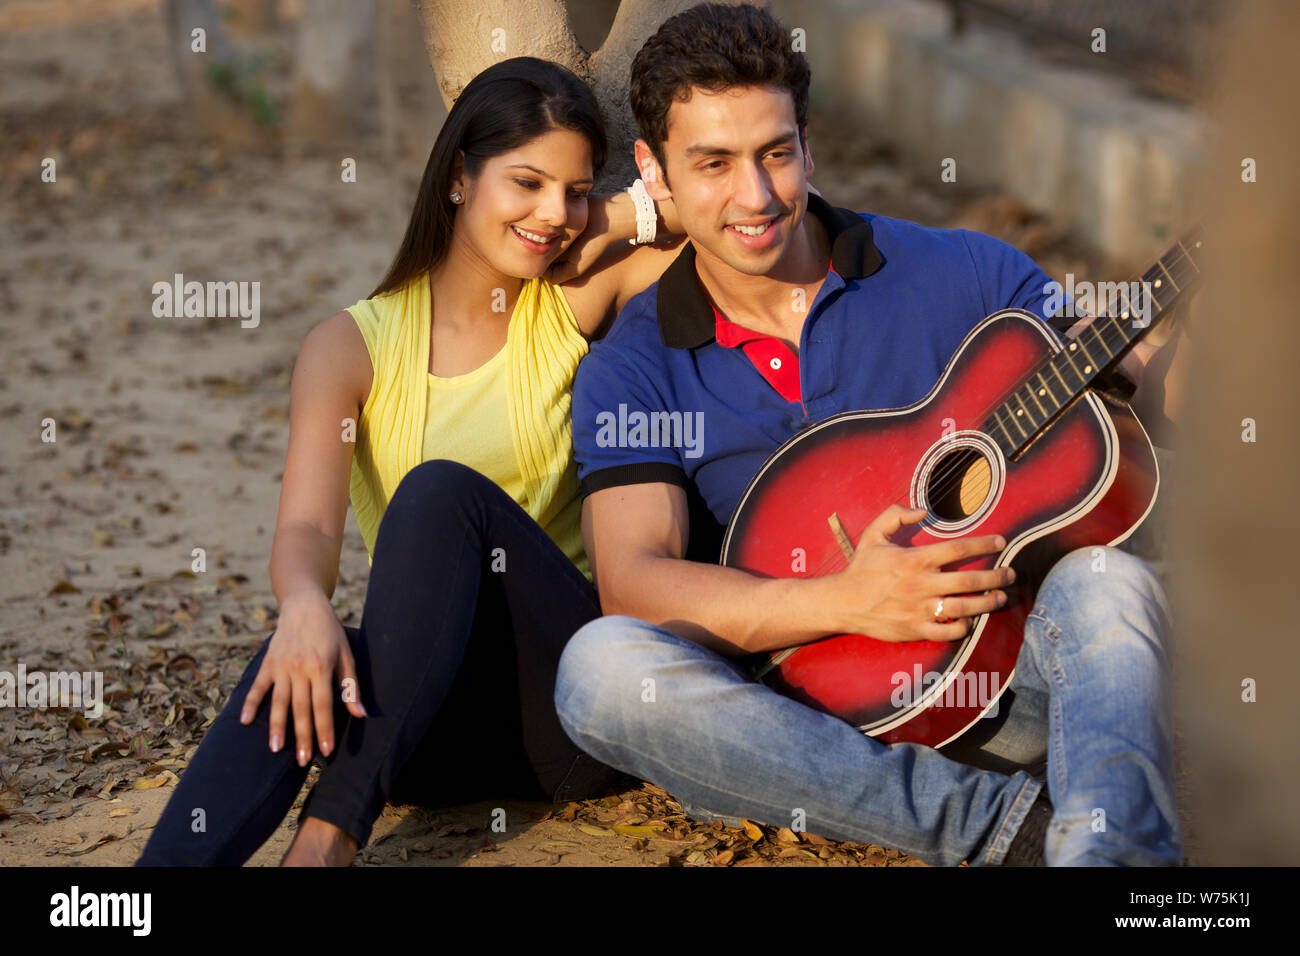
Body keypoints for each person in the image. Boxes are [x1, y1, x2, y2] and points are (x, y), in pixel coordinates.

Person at [554, 3, 1187, 867]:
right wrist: (845, 602)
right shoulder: (634, 368)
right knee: (598, 670)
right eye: (713, 163)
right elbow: (633, 583)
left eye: (776, 153)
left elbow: (1145, 372)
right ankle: (1006, 832)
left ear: (808, 147)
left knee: (1110, 583)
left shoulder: (965, 273)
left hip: (1009, 689)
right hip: (792, 729)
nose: (756, 195)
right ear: (653, 170)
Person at [136, 56, 685, 866]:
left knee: (437, 496)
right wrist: (301, 607)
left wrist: (609, 218)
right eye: (526, 183)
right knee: (295, 657)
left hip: (568, 709)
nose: (553, 213)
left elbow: (728, 232)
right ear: (460, 177)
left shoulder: (574, 301)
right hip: (422, 725)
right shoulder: (349, 347)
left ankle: (323, 844)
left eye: (572, 189)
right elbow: (309, 526)